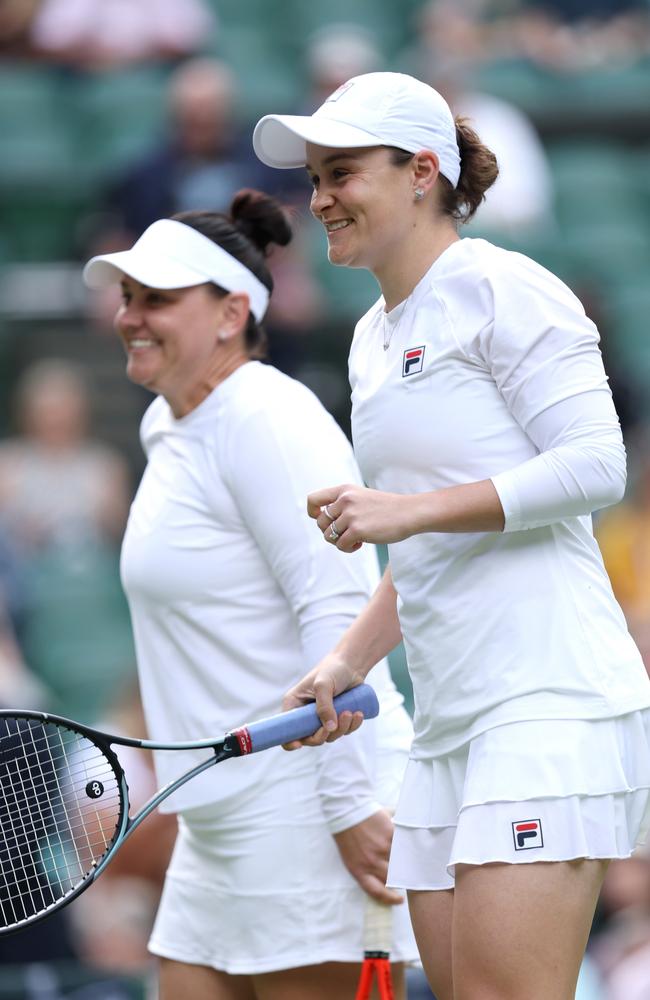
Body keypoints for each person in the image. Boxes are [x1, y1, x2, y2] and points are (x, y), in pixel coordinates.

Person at [252, 71, 650, 1000]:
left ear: (422, 172)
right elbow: (433, 542)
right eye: (313, 178)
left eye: (341, 172)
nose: (319, 200)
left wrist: (405, 511)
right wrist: (348, 660)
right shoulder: (369, 340)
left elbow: (598, 468)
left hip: (547, 703)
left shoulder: (507, 287)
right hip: (447, 722)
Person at [82, 188, 418, 999]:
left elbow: (338, 607)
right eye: (127, 296)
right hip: (218, 817)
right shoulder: (168, 427)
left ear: (232, 312)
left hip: (311, 810)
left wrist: (346, 806)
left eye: (157, 299)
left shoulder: (267, 416)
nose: (130, 315)